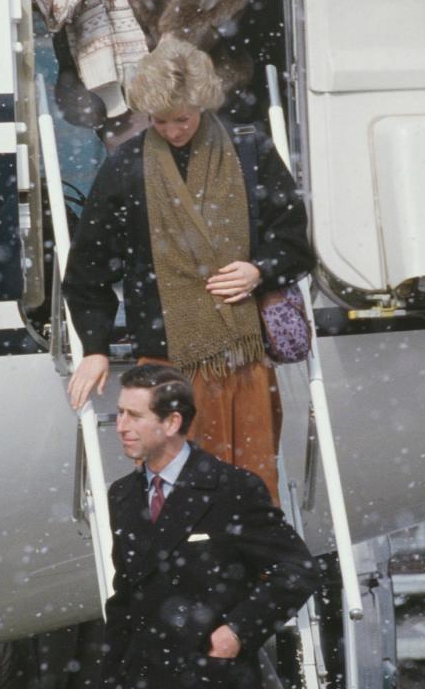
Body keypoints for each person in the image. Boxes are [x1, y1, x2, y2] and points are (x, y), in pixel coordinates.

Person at [64, 37, 314, 503]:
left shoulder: (250, 151)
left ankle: (249, 567)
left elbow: (296, 244)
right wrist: (95, 346)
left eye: (183, 118)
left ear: (203, 103)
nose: (174, 131)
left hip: (246, 356)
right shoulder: (126, 166)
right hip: (165, 357)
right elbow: (88, 267)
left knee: (253, 489)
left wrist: (258, 271)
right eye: (160, 121)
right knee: (177, 495)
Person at [101, 364, 320, 689]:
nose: (120, 426)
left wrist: (234, 633)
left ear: (172, 422)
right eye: (119, 414)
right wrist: (112, 675)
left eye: (134, 416)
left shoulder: (232, 488)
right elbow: (126, 595)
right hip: (143, 676)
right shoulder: (123, 494)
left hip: (212, 675)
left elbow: (296, 571)